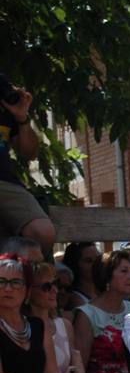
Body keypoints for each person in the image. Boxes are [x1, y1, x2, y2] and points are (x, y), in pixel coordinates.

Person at [0, 76, 56, 253]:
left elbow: (30, 153)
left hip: (4, 182)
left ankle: (21, 278)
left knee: (43, 233)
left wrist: (22, 117)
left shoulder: (2, 90)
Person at [61, 242, 99, 311]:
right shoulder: (76, 299)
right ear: (75, 265)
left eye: (98, 259)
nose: (95, 264)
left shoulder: (103, 291)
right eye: (88, 261)